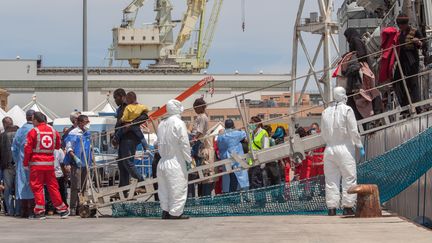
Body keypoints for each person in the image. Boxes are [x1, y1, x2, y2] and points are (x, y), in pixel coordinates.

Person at [321, 87, 364, 216]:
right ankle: (348, 207)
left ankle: (332, 208)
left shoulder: (325, 112)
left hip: (329, 149)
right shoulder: (347, 110)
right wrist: (359, 145)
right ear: (344, 95)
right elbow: (353, 131)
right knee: (349, 178)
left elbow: (323, 133)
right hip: (345, 148)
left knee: (331, 180)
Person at [23, 112, 69, 219]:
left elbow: (28, 149)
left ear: (36, 120)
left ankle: (39, 211)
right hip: (49, 164)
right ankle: (62, 209)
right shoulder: (54, 131)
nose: (32, 122)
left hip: (36, 164)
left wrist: (25, 163)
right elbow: (58, 146)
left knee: (37, 187)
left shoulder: (33, 131)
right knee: (53, 186)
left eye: (33, 120)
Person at [157, 99, 192, 219]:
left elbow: (158, 142)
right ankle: (176, 213)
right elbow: (184, 143)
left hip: (162, 162)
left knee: (164, 188)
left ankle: (165, 211)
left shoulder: (162, 124)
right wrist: (188, 159)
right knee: (178, 187)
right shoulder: (178, 123)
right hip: (175, 161)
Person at [112, 89, 145, 194]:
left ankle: (142, 182)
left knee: (127, 162)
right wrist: (115, 137)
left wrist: (131, 123)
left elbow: (145, 116)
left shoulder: (130, 106)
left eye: (115, 98)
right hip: (122, 138)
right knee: (122, 164)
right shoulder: (121, 108)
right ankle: (123, 189)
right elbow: (119, 124)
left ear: (121, 96)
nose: (115, 100)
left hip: (129, 138)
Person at [394, 13, 424, 114]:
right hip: (401, 60)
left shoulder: (415, 31)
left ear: (406, 23)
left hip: (411, 60)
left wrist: (418, 42)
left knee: (413, 83)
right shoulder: (399, 33)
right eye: (398, 24)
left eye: (401, 24)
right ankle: (405, 107)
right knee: (397, 82)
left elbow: (424, 44)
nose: (400, 26)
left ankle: (418, 107)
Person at [63, 115, 92, 216]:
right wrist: (75, 158)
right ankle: (73, 208)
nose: (87, 124)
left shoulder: (87, 133)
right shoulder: (73, 133)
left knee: (84, 186)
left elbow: (90, 147)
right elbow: (69, 148)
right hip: (77, 163)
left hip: (86, 163)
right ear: (79, 122)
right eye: (85, 122)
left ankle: (82, 206)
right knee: (76, 186)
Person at [12, 110, 35, 218]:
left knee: (22, 186)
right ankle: (32, 210)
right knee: (34, 186)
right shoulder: (36, 130)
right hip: (35, 162)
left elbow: (14, 148)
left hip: (22, 163)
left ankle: (23, 210)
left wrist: (17, 161)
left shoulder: (20, 131)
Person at [190, 98, 215, 196]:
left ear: (200, 107)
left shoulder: (202, 117)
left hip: (202, 145)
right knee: (201, 173)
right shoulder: (203, 116)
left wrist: (193, 140)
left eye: (195, 108)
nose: (195, 110)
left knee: (203, 172)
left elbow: (199, 131)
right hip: (201, 144)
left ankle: (204, 195)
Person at [217, 119, 249, 192]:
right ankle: (237, 192)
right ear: (233, 125)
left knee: (227, 177)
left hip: (225, 158)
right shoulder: (236, 133)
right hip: (236, 159)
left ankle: (228, 192)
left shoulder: (221, 135)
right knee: (239, 177)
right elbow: (245, 134)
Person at [0, 117, 19, 216]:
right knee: (19, 188)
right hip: (19, 165)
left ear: (4, 125)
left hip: (7, 166)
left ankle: (11, 211)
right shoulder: (20, 133)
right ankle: (19, 210)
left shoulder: (2, 136)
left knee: (7, 189)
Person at [248, 116, 269, 189]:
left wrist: (263, 162)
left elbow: (266, 147)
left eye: (252, 123)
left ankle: (259, 199)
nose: (250, 124)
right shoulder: (251, 134)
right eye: (250, 123)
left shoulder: (263, 132)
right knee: (252, 182)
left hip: (259, 161)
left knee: (257, 182)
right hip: (251, 162)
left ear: (258, 124)